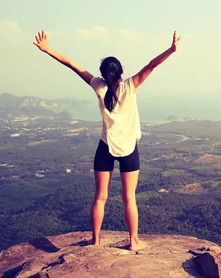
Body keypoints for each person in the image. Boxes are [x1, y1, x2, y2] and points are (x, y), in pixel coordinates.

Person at [33, 30, 181, 250]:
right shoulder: (130, 86)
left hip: (105, 147)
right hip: (129, 148)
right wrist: (171, 49)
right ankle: (134, 242)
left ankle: (95, 240)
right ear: (121, 72)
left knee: (100, 197)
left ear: (104, 74)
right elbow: (151, 65)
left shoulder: (98, 86)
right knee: (129, 198)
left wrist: (48, 50)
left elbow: (73, 65)